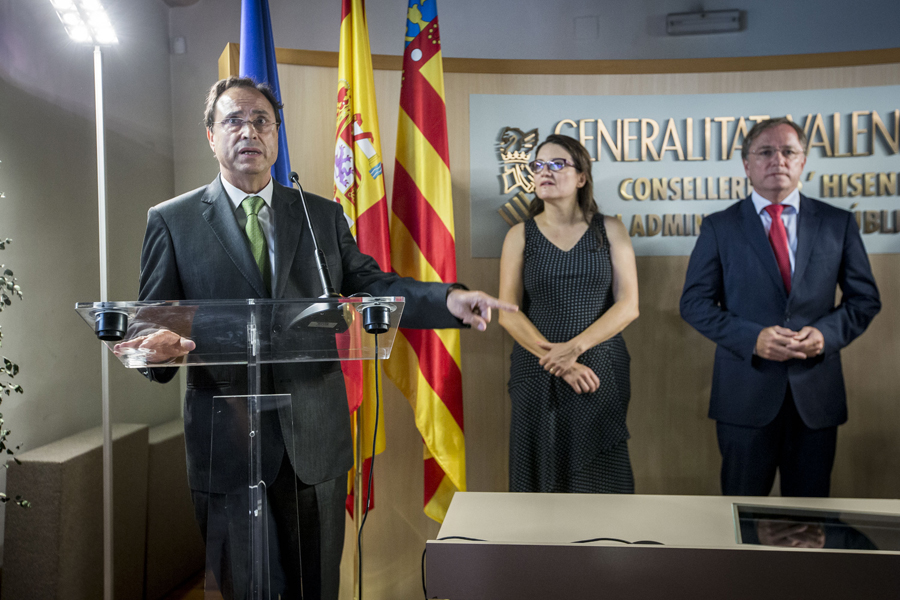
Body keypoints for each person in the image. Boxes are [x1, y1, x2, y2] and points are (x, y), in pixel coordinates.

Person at [119, 76, 515, 600]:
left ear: (276, 134)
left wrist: (447, 300)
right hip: (227, 443)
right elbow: (151, 321)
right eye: (233, 120)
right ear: (210, 136)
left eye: (261, 121)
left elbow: (375, 286)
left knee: (317, 587)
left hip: (314, 440)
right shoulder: (173, 220)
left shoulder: (320, 214)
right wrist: (156, 348)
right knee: (242, 588)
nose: (249, 131)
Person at [680, 117, 881, 498]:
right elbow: (694, 303)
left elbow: (865, 299)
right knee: (742, 511)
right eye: (766, 152)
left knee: (810, 518)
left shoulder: (837, 223)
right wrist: (753, 338)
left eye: (789, 151)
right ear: (747, 164)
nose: (778, 160)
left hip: (815, 397)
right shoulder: (720, 227)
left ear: (803, 161)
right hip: (745, 396)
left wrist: (825, 335)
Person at [498, 134, 639, 494]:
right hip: (536, 366)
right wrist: (558, 361)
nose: (545, 171)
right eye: (538, 165)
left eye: (557, 164)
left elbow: (628, 306)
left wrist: (573, 350)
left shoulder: (610, 229)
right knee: (539, 475)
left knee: (600, 478)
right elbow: (508, 313)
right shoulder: (520, 235)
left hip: (599, 367)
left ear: (581, 177)